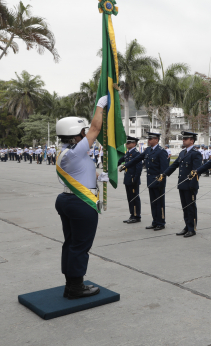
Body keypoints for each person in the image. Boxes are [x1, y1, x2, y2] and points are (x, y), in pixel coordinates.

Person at [54, 95, 109, 299]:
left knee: (71, 243)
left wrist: (99, 176)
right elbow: (95, 129)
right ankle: (76, 288)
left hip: (67, 200)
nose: (87, 134)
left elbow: (81, 172)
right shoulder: (76, 152)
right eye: (83, 132)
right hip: (80, 204)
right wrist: (100, 106)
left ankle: (71, 284)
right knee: (80, 246)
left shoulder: (66, 153)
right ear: (75, 135)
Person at [119, 132, 169, 230]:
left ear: (156, 140)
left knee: (159, 203)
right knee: (153, 202)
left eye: (150, 139)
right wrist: (125, 165)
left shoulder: (161, 151)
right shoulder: (148, 151)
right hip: (150, 180)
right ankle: (155, 221)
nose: (148, 140)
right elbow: (136, 159)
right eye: (148, 139)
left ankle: (161, 222)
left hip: (158, 181)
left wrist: (161, 180)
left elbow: (164, 168)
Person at [160, 131, 203, 238]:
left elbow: (197, 171)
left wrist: (193, 185)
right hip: (182, 184)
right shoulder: (182, 153)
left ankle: (192, 228)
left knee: (191, 207)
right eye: (183, 138)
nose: (183, 140)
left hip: (190, 185)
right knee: (184, 207)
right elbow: (174, 165)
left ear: (192, 141)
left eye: (186, 139)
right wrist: (164, 174)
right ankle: (187, 226)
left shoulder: (196, 153)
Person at [119, 136, 143, 224]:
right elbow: (120, 161)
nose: (127, 144)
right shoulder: (127, 153)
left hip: (133, 179)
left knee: (134, 198)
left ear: (134, 144)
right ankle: (132, 214)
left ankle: (137, 216)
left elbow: (139, 168)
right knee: (130, 198)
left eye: (129, 143)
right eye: (127, 143)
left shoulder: (137, 154)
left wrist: (135, 180)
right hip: (128, 179)